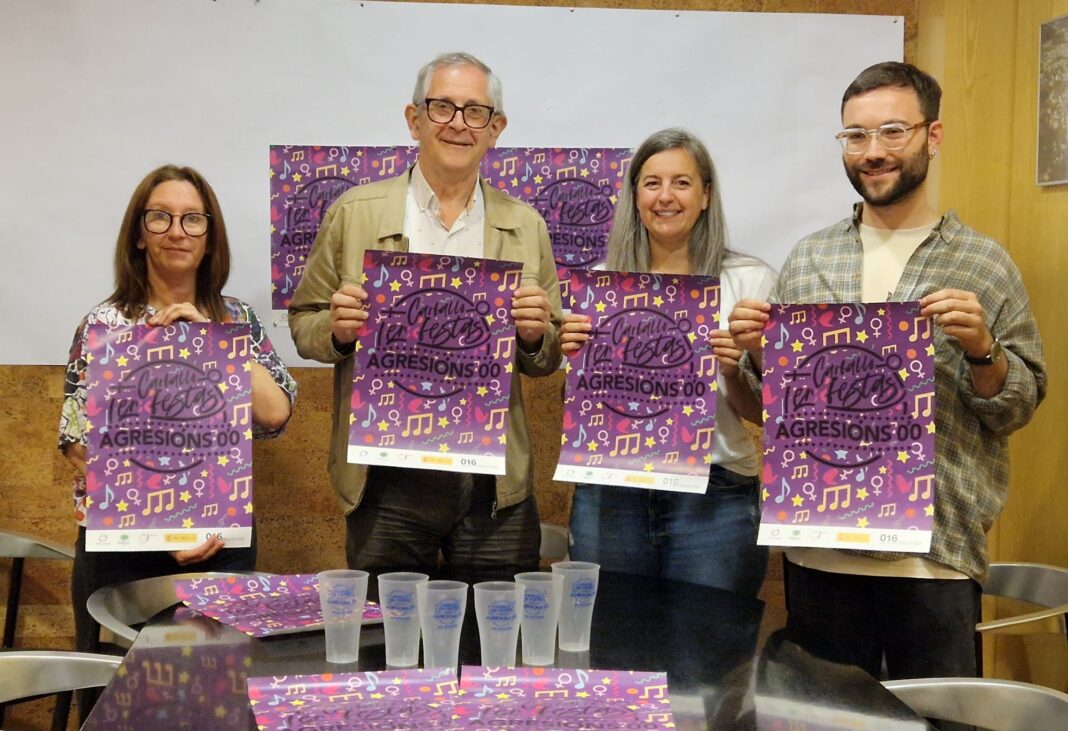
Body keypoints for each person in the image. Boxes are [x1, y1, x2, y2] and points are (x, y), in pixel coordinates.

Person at [730, 63, 1046, 683]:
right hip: (819, 547)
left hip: (932, 556)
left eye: (893, 131)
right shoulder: (810, 257)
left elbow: (1015, 408)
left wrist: (983, 349)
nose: (873, 151)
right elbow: (773, 407)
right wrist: (759, 352)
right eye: (856, 135)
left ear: (933, 136)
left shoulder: (982, 263)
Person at [288, 53, 562, 583]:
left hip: (492, 481)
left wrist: (534, 336)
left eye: (475, 111)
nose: (458, 123)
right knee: (387, 630)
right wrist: (338, 331)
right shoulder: (354, 212)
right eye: (442, 107)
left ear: (496, 129)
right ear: (414, 120)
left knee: (494, 630)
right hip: (386, 475)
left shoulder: (525, 225)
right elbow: (304, 322)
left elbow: (546, 354)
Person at [60, 164, 297, 653]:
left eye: (193, 219)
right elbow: (77, 446)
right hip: (122, 546)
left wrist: (212, 337)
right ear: (139, 235)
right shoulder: (104, 325)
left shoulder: (237, 319)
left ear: (210, 238)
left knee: (211, 690)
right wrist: (161, 528)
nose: (176, 231)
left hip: (218, 541)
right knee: (114, 691)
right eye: (160, 217)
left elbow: (275, 412)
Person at [560, 128, 775, 594]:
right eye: (652, 183)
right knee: (613, 633)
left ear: (706, 195)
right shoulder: (599, 284)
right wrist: (575, 362)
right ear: (635, 195)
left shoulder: (748, 280)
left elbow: (764, 413)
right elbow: (577, 409)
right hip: (611, 488)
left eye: (682, 182)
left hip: (715, 494)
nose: (665, 197)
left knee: (712, 635)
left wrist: (733, 369)